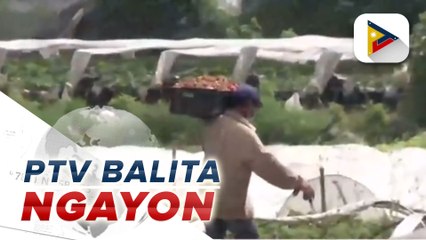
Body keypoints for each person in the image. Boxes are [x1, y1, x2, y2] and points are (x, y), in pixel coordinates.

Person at [202, 84, 315, 239]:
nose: (254, 111)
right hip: (232, 204)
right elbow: (269, 166)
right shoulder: (244, 134)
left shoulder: (213, 126)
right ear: (246, 106)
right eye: (254, 106)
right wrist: (299, 182)